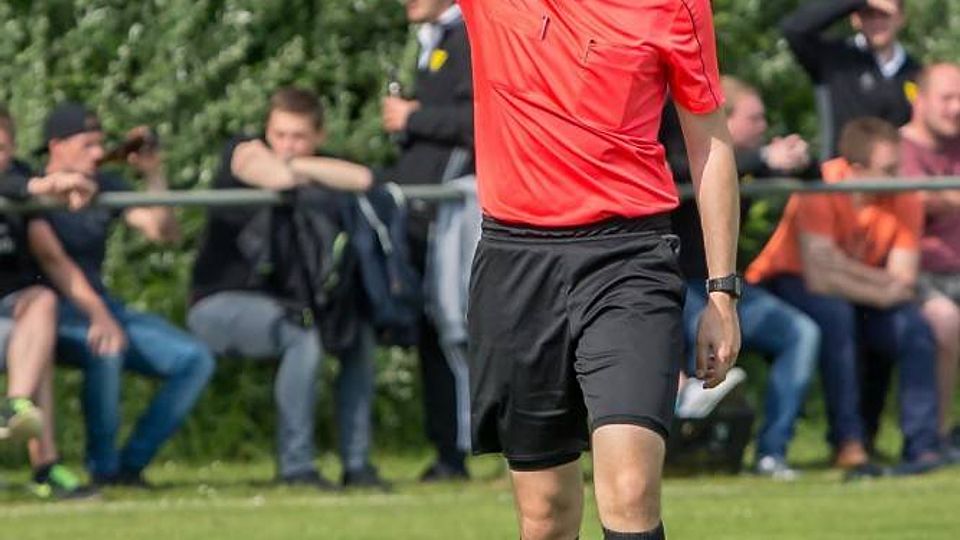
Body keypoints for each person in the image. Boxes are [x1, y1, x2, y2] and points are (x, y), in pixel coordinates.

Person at [461, 1, 742, 538]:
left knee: (631, 489)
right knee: (545, 514)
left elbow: (710, 143)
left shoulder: (676, 6)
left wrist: (722, 293)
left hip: (628, 259)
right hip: (514, 261)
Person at [187, 87, 388, 490]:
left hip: (288, 304)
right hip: (220, 302)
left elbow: (365, 178)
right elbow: (276, 176)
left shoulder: (311, 166)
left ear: (319, 136)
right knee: (303, 338)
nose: (286, 145)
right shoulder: (241, 150)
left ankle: (357, 465)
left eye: (298, 137)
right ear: (266, 131)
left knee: (357, 337)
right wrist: (307, 168)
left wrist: (303, 167)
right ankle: (297, 468)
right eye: (278, 135)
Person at [746, 117, 945, 477]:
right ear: (855, 169)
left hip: (860, 292)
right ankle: (848, 441)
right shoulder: (820, 184)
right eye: (888, 170)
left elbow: (902, 280)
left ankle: (922, 447)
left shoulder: (906, 194)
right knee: (836, 317)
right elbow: (819, 277)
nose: (900, 177)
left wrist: (846, 271)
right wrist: (879, 286)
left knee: (914, 328)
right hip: (787, 279)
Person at [34, 103, 215, 487]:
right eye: (87, 145)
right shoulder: (34, 189)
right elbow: (53, 262)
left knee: (194, 359)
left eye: (100, 143)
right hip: (49, 311)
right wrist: (99, 317)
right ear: (56, 146)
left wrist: (152, 174)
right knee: (107, 348)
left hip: (101, 306)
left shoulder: (108, 185)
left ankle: (130, 465)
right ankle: (103, 468)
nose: (98, 153)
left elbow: (163, 232)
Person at [665, 77, 821, 480]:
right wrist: (763, 157)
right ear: (723, 118)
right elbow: (680, 168)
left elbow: (816, 177)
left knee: (801, 333)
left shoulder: (752, 161)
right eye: (755, 118)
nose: (764, 126)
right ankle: (681, 430)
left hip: (728, 288)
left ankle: (772, 451)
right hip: (674, 287)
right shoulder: (682, 150)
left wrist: (799, 158)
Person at [381, 0, 475, 482]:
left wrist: (413, 118)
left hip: (457, 212)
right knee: (432, 329)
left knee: (453, 325)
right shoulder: (434, 39)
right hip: (425, 213)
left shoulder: (473, 36)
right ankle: (447, 447)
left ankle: (467, 446)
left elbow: (483, 120)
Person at [0, 105, 101, 499]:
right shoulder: (23, 184)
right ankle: (44, 464)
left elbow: (50, 253)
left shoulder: (20, 178)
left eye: (2, 148)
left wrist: (69, 190)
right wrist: (43, 187)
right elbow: (25, 187)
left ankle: (17, 409)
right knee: (33, 339)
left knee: (42, 305)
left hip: (10, 314)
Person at [898, 63, 960, 455]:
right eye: (947, 98)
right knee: (946, 321)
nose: (957, 108)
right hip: (916, 274)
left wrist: (942, 197)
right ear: (919, 100)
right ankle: (934, 437)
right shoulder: (897, 148)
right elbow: (913, 198)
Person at [781, 0, 920, 160]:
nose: (876, 22)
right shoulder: (833, 58)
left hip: (898, 171)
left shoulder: (917, 73)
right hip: (842, 171)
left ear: (901, 18)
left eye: (884, 15)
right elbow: (794, 29)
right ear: (855, 19)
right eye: (869, 14)